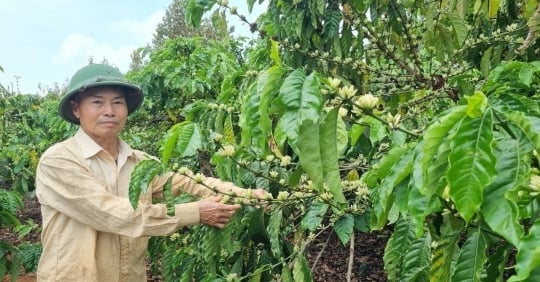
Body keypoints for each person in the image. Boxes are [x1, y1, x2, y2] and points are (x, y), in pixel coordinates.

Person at [35, 63, 268, 281]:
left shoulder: (141, 162)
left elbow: (186, 182)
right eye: (97, 103)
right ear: (76, 108)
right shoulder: (58, 161)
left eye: (117, 102)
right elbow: (111, 214)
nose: (109, 111)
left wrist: (243, 194)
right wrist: (195, 212)